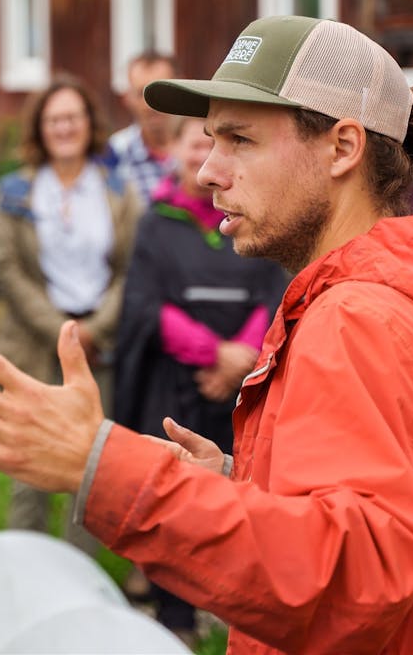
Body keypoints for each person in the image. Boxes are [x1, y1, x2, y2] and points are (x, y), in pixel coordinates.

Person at [0, 15, 413, 654]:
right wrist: (236, 480)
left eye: (240, 140)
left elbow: (347, 579)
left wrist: (103, 468)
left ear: (343, 147)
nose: (209, 170)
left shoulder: (357, 320)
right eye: (211, 139)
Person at [113, 114, 287, 643]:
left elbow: (270, 292)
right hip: (177, 382)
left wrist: (242, 359)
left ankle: (243, 605)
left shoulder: (253, 216)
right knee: (175, 494)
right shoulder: (156, 223)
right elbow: (147, 306)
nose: (204, 156)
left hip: (245, 379)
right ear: (176, 152)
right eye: (196, 144)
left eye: (216, 144)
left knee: (245, 486)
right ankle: (176, 620)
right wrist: (214, 354)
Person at [0, 76, 141, 555]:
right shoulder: (16, 190)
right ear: (40, 127)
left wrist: (92, 331)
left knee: (91, 467)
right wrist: (61, 330)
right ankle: (26, 574)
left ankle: (80, 580)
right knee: (29, 464)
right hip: (37, 342)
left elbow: (131, 267)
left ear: (88, 124)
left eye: (72, 117)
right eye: (54, 119)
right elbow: (7, 268)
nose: (64, 127)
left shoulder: (118, 188)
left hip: (100, 343)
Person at [105, 51, 177, 203]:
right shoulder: (115, 152)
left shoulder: (202, 148)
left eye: (160, 92)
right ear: (127, 98)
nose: (151, 104)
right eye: (141, 94)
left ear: (179, 91)